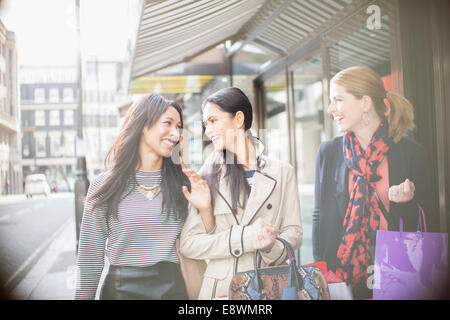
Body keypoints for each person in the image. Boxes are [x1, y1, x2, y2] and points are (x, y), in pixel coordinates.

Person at [313, 66, 436, 299]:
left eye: (338, 100)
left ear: (365, 102)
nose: (331, 109)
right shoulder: (328, 153)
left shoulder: (411, 153)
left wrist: (407, 203)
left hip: (399, 273)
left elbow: (427, 223)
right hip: (342, 276)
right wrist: (321, 274)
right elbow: (320, 217)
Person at [179, 87, 302, 300]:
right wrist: (246, 238)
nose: (208, 130)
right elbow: (189, 244)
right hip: (221, 290)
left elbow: (294, 232)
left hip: (269, 285)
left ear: (238, 119)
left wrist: (270, 245)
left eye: (213, 121)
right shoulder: (207, 175)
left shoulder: (282, 172)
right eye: (205, 123)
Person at [75, 94, 191, 300]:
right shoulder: (104, 185)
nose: (176, 133)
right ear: (144, 126)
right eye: (168, 123)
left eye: (179, 126)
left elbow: (200, 240)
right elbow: (89, 260)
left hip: (173, 291)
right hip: (120, 292)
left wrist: (206, 208)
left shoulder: (185, 184)